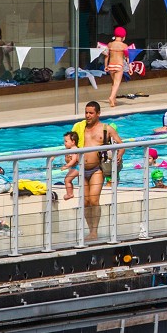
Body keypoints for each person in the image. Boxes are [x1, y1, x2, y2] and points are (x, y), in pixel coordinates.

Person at [69, 101, 123, 239]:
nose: (88, 115)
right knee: (85, 202)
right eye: (86, 112)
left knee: (94, 200)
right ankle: (90, 229)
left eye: (91, 113)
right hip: (81, 168)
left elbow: (121, 145)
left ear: (98, 114)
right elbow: (70, 146)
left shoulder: (106, 129)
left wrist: (119, 156)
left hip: (96, 169)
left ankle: (94, 231)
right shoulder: (79, 128)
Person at [105, 26, 130, 108]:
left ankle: (113, 100)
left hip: (111, 66)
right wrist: (130, 68)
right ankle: (111, 97)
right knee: (116, 83)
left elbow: (106, 56)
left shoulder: (110, 44)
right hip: (119, 66)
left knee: (113, 83)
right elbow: (127, 58)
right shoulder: (124, 46)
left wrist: (106, 66)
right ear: (123, 37)